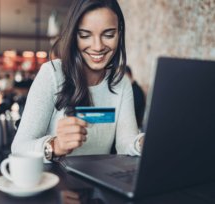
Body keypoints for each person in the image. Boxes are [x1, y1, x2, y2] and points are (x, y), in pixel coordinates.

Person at [12, 0, 145, 162]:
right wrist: (56, 146)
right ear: (74, 36)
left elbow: (125, 142)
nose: (97, 46)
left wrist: (143, 142)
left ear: (119, 33)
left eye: (109, 35)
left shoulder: (121, 83)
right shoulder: (52, 73)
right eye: (85, 35)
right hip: (56, 181)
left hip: (99, 181)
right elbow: (19, 146)